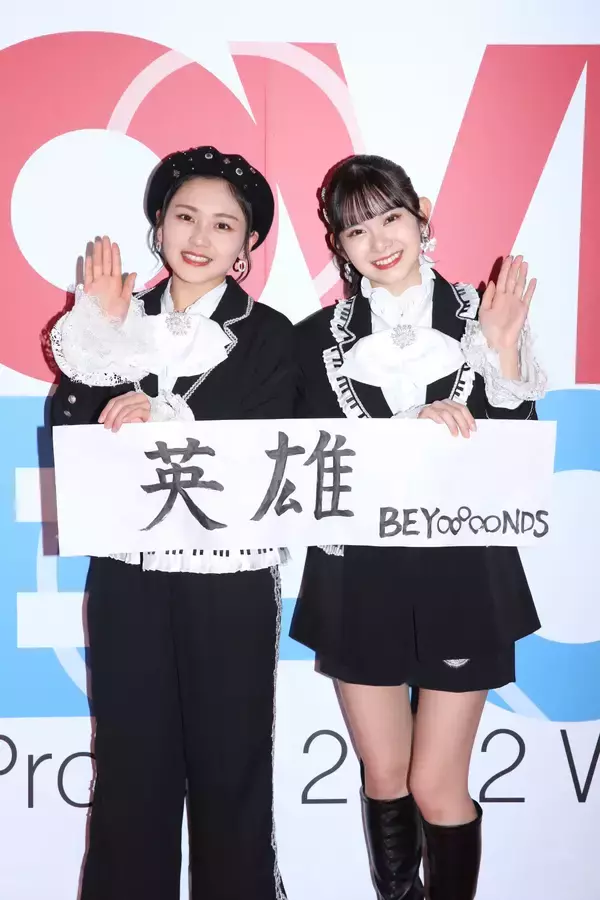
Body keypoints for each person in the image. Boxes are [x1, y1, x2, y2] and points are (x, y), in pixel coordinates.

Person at [291, 154, 546, 900]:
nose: (379, 241)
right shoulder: (313, 340)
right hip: (356, 574)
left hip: (462, 574)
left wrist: (502, 349)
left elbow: (518, 454)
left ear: (421, 214)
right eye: (356, 229)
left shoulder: (481, 315)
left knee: (437, 783)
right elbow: (285, 453)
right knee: (386, 774)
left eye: (391, 218)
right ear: (339, 244)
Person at [50, 146, 292, 900]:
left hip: (230, 581)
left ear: (247, 244)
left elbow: (265, 446)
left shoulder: (272, 335)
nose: (200, 236)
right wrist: (99, 334)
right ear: (158, 224)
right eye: (185, 216)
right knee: (130, 772)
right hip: (129, 577)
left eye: (224, 224)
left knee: (232, 774)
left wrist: (163, 417)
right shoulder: (115, 321)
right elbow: (71, 434)